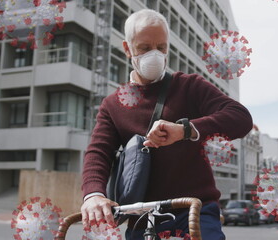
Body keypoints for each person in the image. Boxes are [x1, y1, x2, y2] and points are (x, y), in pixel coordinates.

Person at [81, 8, 253, 240]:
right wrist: (93, 194)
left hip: (194, 210)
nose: (155, 55)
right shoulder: (113, 104)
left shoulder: (190, 86)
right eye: (144, 48)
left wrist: (185, 130)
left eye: (161, 47)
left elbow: (241, 118)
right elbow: (98, 152)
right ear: (127, 48)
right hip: (142, 216)